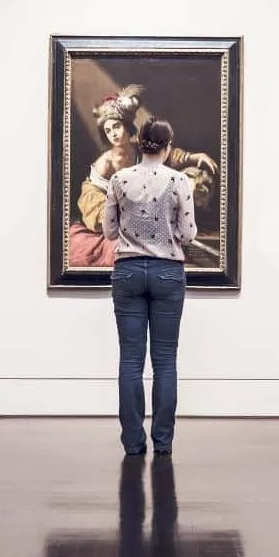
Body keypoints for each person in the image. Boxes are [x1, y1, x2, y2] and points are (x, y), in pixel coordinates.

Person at [103, 116, 197, 456]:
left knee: (130, 360)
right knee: (165, 361)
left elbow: (110, 232)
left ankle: (132, 443)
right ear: (168, 146)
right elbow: (187, 235)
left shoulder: (119, 179)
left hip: (127, 272)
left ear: (140, 143)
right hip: (168, 273)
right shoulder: (179, 180)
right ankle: (163, 441)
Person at [68, 84, 217, 268]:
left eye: (117, 127)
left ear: (127, 126)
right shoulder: (105, 163)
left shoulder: (140, 148)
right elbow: (99, 205)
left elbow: (166, 156)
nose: (114, 133)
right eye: (108, 130)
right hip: (105, 207)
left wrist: (195, 156)